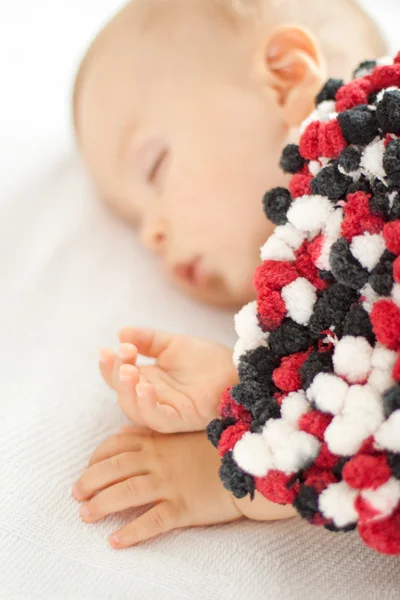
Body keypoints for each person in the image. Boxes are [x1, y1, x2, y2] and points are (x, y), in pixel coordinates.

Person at [72, 0, 389, 549]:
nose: (152, 235)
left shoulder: (379, 145)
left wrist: (239, 474)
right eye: (135, 222)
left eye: (155, 166)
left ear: (285, 76)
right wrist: (241, 390)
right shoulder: (333, 292)